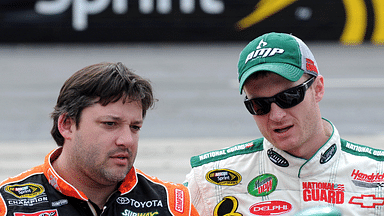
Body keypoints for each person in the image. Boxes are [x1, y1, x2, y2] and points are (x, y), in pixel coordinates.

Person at [184, 32, 384, 215]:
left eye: (289, 97)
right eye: (259, 104)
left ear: (318, 88)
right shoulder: (208, 181)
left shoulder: (378, 176)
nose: (276, 115)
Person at [0, 62, 199, 216]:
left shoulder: (172, 204)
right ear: (67, 125)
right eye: (110, 124)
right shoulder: (7, 205)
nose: (127, 140)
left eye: (135, 127)